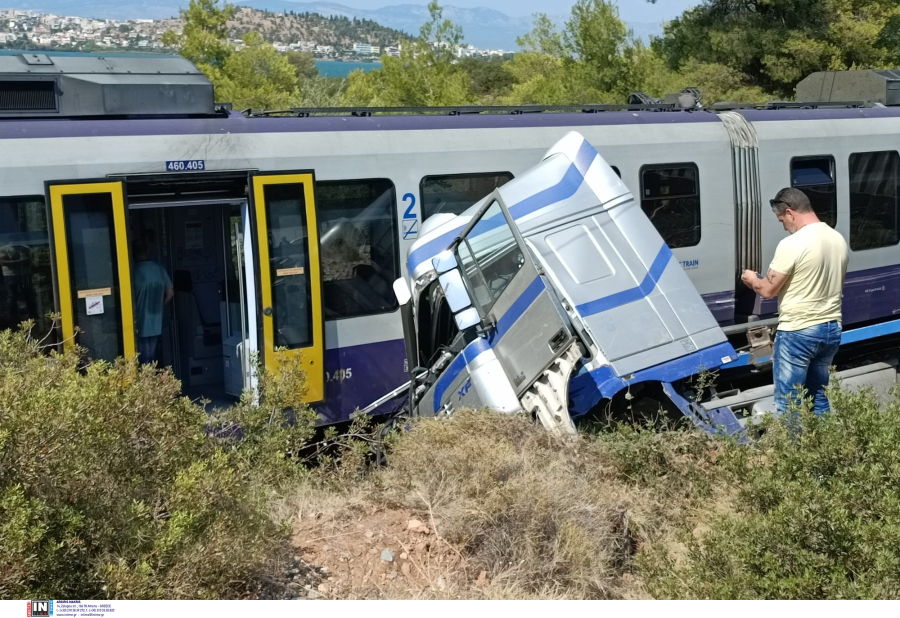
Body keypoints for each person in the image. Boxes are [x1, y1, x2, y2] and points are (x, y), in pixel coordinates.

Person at [740, 187, 849, 415]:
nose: (784, 226)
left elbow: (768, 290)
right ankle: (825, 447)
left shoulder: (792, 243)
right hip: (831, 328)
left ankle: (794, 450)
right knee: (818, 397)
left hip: (798, 331)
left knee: (789, 402)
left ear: (790, 213)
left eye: (782, 221)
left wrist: (751, 279)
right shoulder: (837, 239)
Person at [133, 238, 173, 364]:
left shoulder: (133, 272)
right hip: (155, 322)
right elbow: (171, 293)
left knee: (143, 359)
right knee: (151, 357)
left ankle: (146, 382)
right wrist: (160, 306)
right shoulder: (160, 269)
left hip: (139, 322)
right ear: (148, 251)